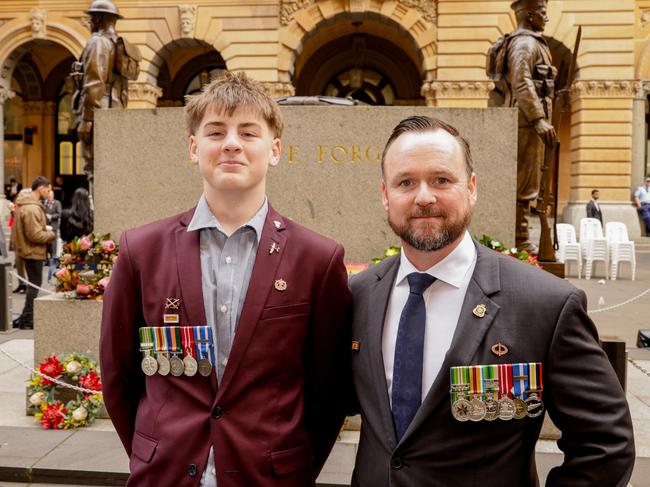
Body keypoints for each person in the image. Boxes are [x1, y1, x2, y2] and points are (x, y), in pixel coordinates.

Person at [349, 115, 634, 486]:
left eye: (441, 180)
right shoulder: (360, 295)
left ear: (471, 188)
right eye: (406, 182)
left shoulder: (545, 304)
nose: (424, 196)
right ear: (386, 195)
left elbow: (606, 445)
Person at [100, 71, 351, 486]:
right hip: (165, 474)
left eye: (248, 132)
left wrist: (291, 463)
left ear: (274, 150)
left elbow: (328, 389)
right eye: (216, 131)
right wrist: (154, 450)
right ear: (194, 148)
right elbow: (119, 376)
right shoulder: (141, 251)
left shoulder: (318, 259)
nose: (231, 143)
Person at [487, 0, 557, 252]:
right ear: (529, 14)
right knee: (525, 182)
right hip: (525, 122)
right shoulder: (525, 44)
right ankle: (520, 240)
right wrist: (539, 119)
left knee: (531, 180)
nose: (546, 18)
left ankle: (522, 238)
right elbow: (521, 81)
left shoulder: (530, 42)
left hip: (528, 120)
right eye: (542, 13)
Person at [71, 0, 140, 180]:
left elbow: (95, 81)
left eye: (91, 18)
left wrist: (87, 118)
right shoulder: (118, 44)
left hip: (98, 108)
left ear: (99, 19)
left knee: (94, 166)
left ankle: (98, 204)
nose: (90, 22)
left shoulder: (98, 42)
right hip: (114, 107)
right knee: (109, 163)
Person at [11, 177, 56, 330]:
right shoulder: (31, 208)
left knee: (33, 286)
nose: (49, 193)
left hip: (28, 251)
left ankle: (25, 317)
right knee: (34, 286)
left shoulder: (27, 205)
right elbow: (35, 235)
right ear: (41, 189)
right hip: (33, 251)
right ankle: (27, 319)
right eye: (48, 189)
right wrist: (51, 234)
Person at [44, 189, 63, 279]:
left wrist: (51, 216)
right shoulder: (45, 203)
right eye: (49, 195)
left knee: (54, 244)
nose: (50, 196)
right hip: (46, 227)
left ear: (53, 196)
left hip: (54, 227)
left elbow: (59, 213)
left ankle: (54, 260)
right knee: (46, 244)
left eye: (51, 195)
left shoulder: (57, 203)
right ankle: (46, 260)